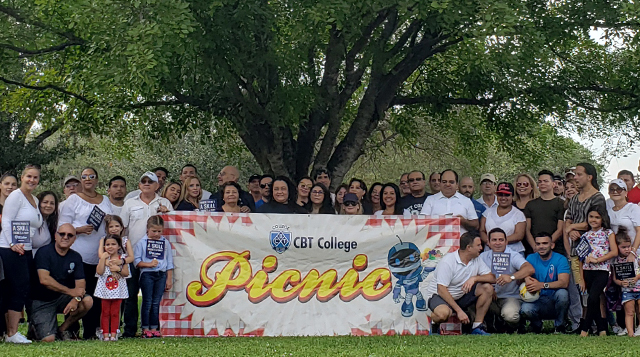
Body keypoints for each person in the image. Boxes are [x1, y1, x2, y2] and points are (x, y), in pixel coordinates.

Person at [58, 167, 114, 339]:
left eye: (91, 176)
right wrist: (78, 229)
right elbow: (62, 226)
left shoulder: (105, 200)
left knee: (95, 294)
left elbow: (112, 226)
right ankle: (71, 330)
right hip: (76, 254)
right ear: (81, 180)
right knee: (76, 293)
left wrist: (109, 220)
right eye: (84, 177)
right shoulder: (73, 200)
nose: (88, 179)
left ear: (97, 180)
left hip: (98, 256)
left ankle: (91, 331)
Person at [119, 172, 172, 338]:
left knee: (153, 298)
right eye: (144, 181)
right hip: (135, 255)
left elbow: (176, 226)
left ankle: (151, 327)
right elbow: (122, 229)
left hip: (158, 258)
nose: (147, 183)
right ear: (139, 184)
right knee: (131, 295)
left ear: (157, 185)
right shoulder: (129, 203)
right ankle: (130, 330)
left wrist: (168, 213)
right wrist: (123, 251)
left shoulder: (165, 202)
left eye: (151, 181)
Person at [0, 164, 43, 343]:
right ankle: (12, 332)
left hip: (26, 249)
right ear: (23, 177)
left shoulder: (34, 199)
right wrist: (12, 242)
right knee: (18, 287)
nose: (32, 180)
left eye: (35, 177)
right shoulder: (16, 196)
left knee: (21, 288)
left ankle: (11, 331)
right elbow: (7, 219)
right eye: (28, 177)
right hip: (10, 248)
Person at [30, 224, 93, 342]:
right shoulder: (43, 252)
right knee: (48, 339)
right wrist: (71, 292)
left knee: (87, 301)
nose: (65, 237)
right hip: (42, 301)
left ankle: (62, 329)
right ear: (55, 236)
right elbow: (44, 280)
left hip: (63, 299)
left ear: (74, 239)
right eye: (62, 234)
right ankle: (34, 327)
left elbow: (81, 285)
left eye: (70, 235)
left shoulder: (76, 257)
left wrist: (76, 299)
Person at [425, 231, 495, 336]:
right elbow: (441, 289)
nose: (481, 248)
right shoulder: (448, 262)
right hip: (440, 296)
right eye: (478, 245)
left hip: (461, 295)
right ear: (469, 248)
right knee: (443, 314)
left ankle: (477, 327)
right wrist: (459, 311)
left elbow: (492, 278)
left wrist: (475, 278)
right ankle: (435, 324)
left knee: (487, 288)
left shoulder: (476, 259)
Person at [479, 228, 534, 331]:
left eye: (501, 240)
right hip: (490, 297)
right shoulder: (482, 257)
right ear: (488, 243)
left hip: (510, 297)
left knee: (510, 316)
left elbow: (529, 269)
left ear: (506, 242)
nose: (498, 243)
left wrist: (511, 277)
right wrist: (488, 287)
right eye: (494, 240)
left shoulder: (513, 255)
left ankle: (515, 327)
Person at [519, 233, 571, 333]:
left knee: (563, 294)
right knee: (525, 309)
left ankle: (560, 327)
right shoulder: (530, 258)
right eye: (538, 244)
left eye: (545, 243)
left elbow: (564, 283)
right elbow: (522, 276)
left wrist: (542, 285)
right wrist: (526, 278)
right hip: (537, 299)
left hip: (554, 299)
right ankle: (536, 326)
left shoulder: (560, 259)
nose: (541, 246)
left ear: (552, 245)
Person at [578, 207, 617, 337]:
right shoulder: (585, 235)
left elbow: (614, 251)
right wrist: (581, 278)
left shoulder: (608, 233)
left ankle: (585, 329)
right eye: (591, 217)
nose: (593, 220)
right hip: (587, 271)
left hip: (602, 270)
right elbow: (580, 257)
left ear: (602, 219)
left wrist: (598, 259)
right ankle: (602, 329)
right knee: (593, 299)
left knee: (593, 297)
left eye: (597, 217)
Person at [134, 216, 174, 338]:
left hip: (161, 274)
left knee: (156, 302)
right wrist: (149, 264)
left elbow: (169, 262)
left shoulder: (165, 243)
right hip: (147, 274)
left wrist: (169, 278)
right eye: (154, 231)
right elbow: (137, 262)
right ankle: (145, 328)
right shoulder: (142, 243)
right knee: (147, 301)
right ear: (148, 229)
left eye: (159, 231)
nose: (156, 234)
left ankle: (154, 327)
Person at [420, 169, 478, 235]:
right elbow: (422, 223)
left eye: (451, 182)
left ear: (457, 185)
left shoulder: (466, 201)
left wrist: (463, 221)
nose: (447, 184)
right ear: (440, 183)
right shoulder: (430, 200)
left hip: (461, 242)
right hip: (436, 242)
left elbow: (475, 225)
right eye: (444, 182)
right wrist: (440, 220)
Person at [95, 234, 129, 341]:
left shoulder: (121, 259)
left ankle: (114, 334)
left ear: (119, 246)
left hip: (118, 290)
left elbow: (126, 273)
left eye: (113, 244)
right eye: (107, 244)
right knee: (105, 312)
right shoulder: (104, 259)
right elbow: (99, 271)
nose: (110, 246)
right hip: (105, 290)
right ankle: (105, 334)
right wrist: (103, 259)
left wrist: (117, 269)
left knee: (115, 312)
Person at [524, 170, 565, 257]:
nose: (542, 183)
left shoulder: (561, 204)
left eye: (546, 181)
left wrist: (547, 244)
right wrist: (536, 246)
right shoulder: (530, 204)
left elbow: (560, 229)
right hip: (533, 251)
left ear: (553, 184)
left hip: (556, 250)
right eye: (540, 181)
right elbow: (527, 229)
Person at [479, 182, 526, 254]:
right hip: (489, 252)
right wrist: (489, 242)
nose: (503, 198)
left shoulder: (518, 214)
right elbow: (482, 230)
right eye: (500, 195)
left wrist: (498, 242)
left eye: (507, 195)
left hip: (513, 253)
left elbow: (519, 235)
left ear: (512, 196)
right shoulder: (487, 212)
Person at [611, 227, 640, 337]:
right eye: (623, 247)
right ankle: (630, 333)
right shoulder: (616, 260)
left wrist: (637, 277)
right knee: (629, 311)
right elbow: (614, 278)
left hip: (639, 286)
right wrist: (620, 283)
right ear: (617, 247)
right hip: (627, 290)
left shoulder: (636, 256)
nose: (627, 249)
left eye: (628, 246)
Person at [607, 179, 640, 255]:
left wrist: (633, 252)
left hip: (635, 252)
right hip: (617, 254)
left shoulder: (633, 208)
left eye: (619, 189)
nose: (615, 192)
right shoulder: (608, 212)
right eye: (612, 190)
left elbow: (639, 231)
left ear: (626, 193)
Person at [33, 191, 59, 256]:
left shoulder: (49, 222)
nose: (48, 205)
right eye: (45, 202)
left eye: (52, 203)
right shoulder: (33, 221)